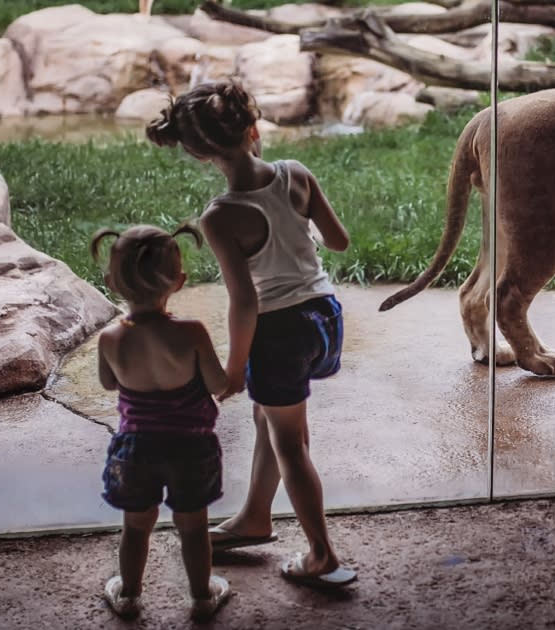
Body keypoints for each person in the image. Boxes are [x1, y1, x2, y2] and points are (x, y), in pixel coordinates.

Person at [145, 81, 357, 588]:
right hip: (325, 317)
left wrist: (235, 366)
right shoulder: (296, 174)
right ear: (253, 129)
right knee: (269, 416)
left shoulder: (221, 217)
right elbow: (338, 241)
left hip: (279, 331)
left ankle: (321, 555)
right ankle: (256, 517)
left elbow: (245, 301)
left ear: (198, 153)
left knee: (291, 442)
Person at [92, 224, 233, 620]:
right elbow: (218, 384)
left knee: (135, 527)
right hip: (192, 448)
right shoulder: (191, 333)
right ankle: (203, 596)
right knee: (193, 527)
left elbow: (107, 382)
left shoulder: (110, 338)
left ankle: (130, 595)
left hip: (136, 448)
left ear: (111, 282)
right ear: (180, 281)